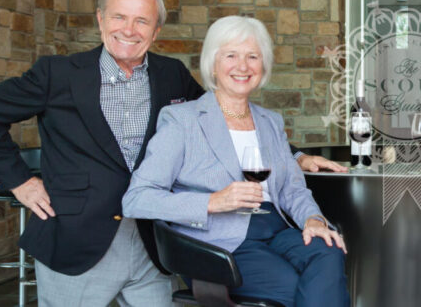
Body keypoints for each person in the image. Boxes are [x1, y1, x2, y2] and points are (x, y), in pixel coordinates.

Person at [0, 0, 343, 305]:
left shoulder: (171, 75)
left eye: (141, 20)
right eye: (119, 17)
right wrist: (19, 181)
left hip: (152, 240)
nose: (129, 30)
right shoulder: (58, 74)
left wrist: (295, 157)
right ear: (100, 19)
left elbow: (225, 117)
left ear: (155, 30)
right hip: (77, 236)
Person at [122, 16, 350, 307]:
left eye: (252, 56)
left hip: (274, 229)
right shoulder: (182, 120)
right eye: (231, 55)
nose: (242, 66)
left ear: (263, 66)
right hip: (216, 243)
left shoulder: (270, 122)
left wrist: (314, 220)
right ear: (213, 64)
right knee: (296, 288)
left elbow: (293, 190)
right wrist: (213, 201)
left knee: (328, 248)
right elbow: (136, 199)